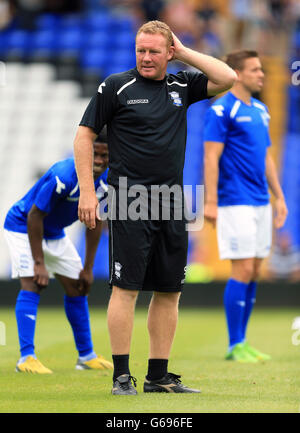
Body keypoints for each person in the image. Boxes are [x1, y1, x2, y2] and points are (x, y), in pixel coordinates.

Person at [74, 20, 236, 395]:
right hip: (129, 199)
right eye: (140, 51)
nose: (145, 58)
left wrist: (185, 51)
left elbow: (227, 76)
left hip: (172, 201)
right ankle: (120, 376)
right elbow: (83, 136)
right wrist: (87, 192)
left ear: (169, 53)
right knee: (125, 288)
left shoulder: (182, 84)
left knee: (169, 290)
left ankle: (158, 376)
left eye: (153, 51)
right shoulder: (116, 86)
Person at [3, 131, 113, 374]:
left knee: (77, 287)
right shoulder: (62, 175)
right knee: (33, 282)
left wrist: (88, 268)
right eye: (95, 154)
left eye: (105, 155)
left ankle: (86, 356)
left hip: (54, 233)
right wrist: (39, 263)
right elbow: (34, 216)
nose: (99, 160)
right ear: (83, 152)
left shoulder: (106, 180)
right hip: (23, 227)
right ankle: (26, 358)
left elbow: (95, 221)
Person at [203, 50, 288, 362]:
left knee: (253, 270)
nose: (261, 75)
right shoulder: (221, 109)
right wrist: (211, 201)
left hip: (260, 200)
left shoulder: (261, 110)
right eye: (255, 70)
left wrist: (279, 196)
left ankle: (243, 340)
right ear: (236, 74)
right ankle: (234, 344)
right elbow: (211, 156)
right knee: (241, 269)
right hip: (233, 200)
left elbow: (266, 157)